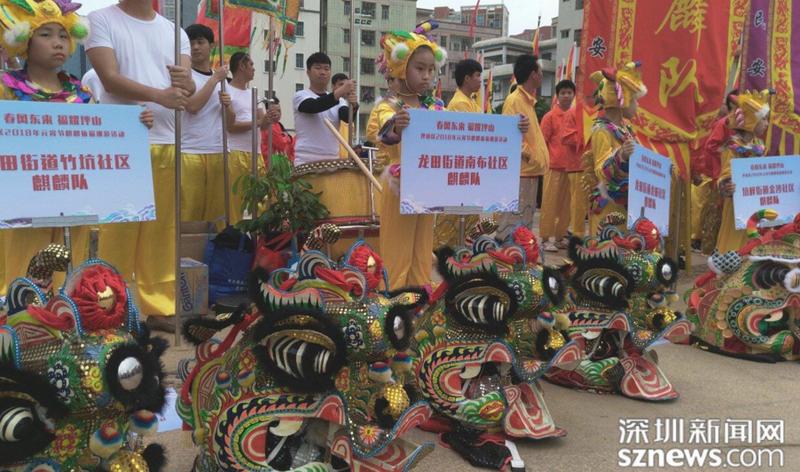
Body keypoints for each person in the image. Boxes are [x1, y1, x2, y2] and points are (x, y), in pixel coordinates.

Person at [0, 0, 153, 295]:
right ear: (24, 41)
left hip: (73, 204)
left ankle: (69, 320)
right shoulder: (6, 91)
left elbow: (103, 140)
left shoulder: (81, 94)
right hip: (23, 205)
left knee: (72, 267)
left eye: (62, 35)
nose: (57, 43)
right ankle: (24, 326)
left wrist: (135, 124)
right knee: (23, 267)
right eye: (46, 35)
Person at [87, 0, 195, 331]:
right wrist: (160, 96)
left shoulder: (175, 32)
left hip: (165, 139)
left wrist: (184, 83)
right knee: (117, 230)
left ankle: (159, 307)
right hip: (121, 140)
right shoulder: (101, 19)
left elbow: (187, 88)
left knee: (161, 230)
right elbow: (109, 78)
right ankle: (108, 305)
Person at [374, 22, 448, 288]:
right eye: (420, 68)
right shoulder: (388, 106)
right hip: (398, 185)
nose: (427, 75)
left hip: (427, 184)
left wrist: (511, 131)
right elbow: (384, 132)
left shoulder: (436, 107)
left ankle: (419, 294)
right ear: (400, 68)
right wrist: (397, 125)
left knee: (422, 245)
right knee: (397, 246)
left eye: (431, 69)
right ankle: (391, 298)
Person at [582, 62, 647, 234]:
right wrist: (621, 156)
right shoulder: (601, 130)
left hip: (626, 204)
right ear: (622, 101)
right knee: (608, 252)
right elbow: (600, 170)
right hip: (608, 208)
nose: (637, 106)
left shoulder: (626, 128)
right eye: (634, 100)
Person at [497, 55, 550, 240]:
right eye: (540, 71)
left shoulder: (527, 101)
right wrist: (531, 156)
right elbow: (509, 137)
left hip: (530, 172)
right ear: (533, 74)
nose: (542, 75)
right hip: (521, 172)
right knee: (513, 220)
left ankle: (519, 257)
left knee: (525, 220)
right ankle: (507, 257)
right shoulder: (514, 101)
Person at [181, 23, 229, 226]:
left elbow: (231, 121)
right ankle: (185, 255)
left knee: (217, 216)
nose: (195, 47)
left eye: (200, 42)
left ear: (212, 45)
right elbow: (192, 106)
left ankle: (214, 255)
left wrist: (229, 105)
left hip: (218, 151)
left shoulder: (224, 81)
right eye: (191, 43)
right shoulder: (185, 76)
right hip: (190, 152)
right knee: (189, 212)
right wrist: (214, 80)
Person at [715, 90, 772, 253]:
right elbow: (725, 174)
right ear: (751, 122)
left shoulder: (760, 146)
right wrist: (727, 185)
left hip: (756, 204)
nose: (767, 124)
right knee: (734, 243)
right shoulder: (732, 146)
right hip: (737, 207)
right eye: (763, 119)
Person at [221, 51, 267, 224]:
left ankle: (259, 237)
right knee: (235, 201)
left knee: (262, 200)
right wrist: (257, 121)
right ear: (241, 66)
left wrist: (271, 117)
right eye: (252, 65)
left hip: (255, 154)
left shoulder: (255, 94)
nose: (254, 69)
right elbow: (231, 127)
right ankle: (232, 236)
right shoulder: (227, 91)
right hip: (235, 153)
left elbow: (263, 122)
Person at [691, 90, 738, 252]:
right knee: (714, 209)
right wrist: (729, 149)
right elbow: (711, 146)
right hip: (720, 172)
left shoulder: (753, 138)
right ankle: (708, 245)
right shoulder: (724, 123)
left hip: (733, 175)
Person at [540, 79, 583, 251]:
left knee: (566, 206)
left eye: (569, 93)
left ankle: (559, 236)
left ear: (574, 95)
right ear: (557, 96)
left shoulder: (577, 116)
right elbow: (542, 141)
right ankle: (545, 238)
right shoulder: (549, 116)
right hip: (553, 166)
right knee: (550, 203)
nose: (566, 96)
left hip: (571, 167)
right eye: (563, 93)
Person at [293, 53, 358, 166]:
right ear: (308, 72)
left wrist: (354, 106)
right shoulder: (300, 96)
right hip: (306, 160)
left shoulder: (340, 101)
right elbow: (314, 106)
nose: (322, 72)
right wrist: (340, 91)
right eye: (317, 68)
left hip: (332, 161)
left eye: (326, 69)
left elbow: (347, 118)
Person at [259, 95, 295, 162]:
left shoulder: (278, 124)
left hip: (279, 162)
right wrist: (287, 138)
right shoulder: (269, 125)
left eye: (279, 111)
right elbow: (281, 144)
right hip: (271, 163)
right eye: (274, 111)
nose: (277, 113)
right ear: (268, 111)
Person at [332, 72, 353, 158]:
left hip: (345, 155)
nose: (344, 88)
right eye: (340, 85)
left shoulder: (348, 106)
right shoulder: (339, 103)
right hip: (335, 156)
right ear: (333, 86)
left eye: (345, 85)